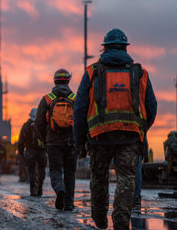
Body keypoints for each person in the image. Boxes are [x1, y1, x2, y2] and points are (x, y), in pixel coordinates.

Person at [74, 28, 157, 229]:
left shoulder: (92, 72)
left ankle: (100, 219)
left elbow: (79, 107)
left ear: (104, 48)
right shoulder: (140, 72)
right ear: (125, 47)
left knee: (99, 177)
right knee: (127, 178)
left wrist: (79, 141)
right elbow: (152, 106)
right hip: (129, 136)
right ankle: (121, 221)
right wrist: (141, 129)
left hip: (99, 136)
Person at [36, 68, 76, 210]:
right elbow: (82, 121)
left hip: (53, 142)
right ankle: (69, 203)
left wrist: (44, 138)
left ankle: (60, 189)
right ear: (68, 81)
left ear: (55, 81)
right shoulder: (75, 99)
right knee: (70, 172)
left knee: (55, 170)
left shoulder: (47, 99)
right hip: (71, 142)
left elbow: (39, 123)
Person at [18, 108, 47, 196]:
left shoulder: (25, 126)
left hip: (30, 151)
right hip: (41, 151)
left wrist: (21, 153)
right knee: (42, 169)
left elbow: (21, 141)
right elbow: (47, 137)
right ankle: (40, 186)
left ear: (30, 115)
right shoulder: (42, 124)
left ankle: (33, 188)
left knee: (31, 170)